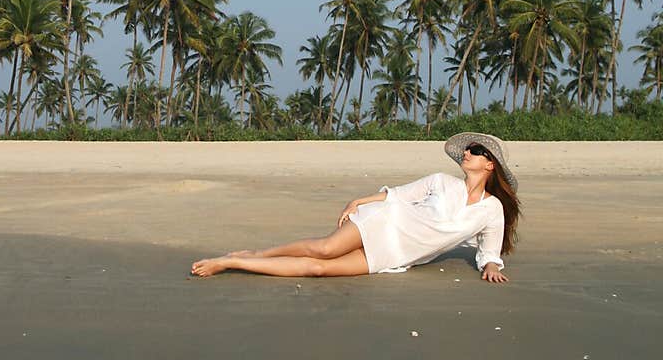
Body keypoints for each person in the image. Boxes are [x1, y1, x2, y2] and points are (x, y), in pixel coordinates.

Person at [190, 132, 520, 284]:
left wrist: (490, 265)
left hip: (396, 252)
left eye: (476, 151)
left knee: (318, 270)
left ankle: (238, 261)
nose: (467, 153)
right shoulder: (440, 181)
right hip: (385, 222)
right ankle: (245, 257)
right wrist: (359, 201)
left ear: (490, 165)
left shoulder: (491, 210)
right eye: (469, 149)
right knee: (323, 248)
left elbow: (490, 250)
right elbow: (396, 196)